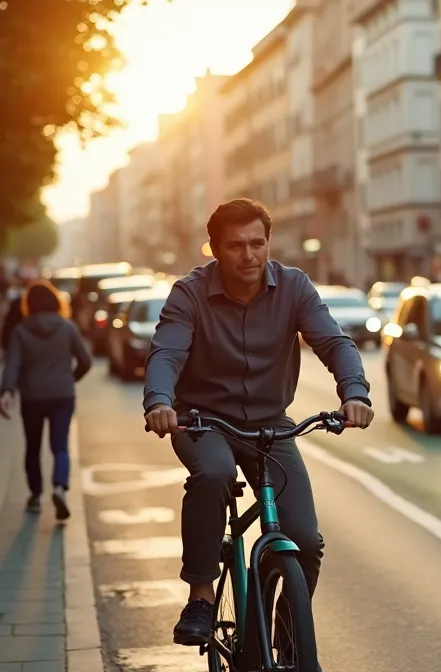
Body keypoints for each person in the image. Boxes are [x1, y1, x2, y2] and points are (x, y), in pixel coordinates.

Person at [142, 198, 374, 649]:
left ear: (268, 243)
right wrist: (159, 402)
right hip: (201, 421)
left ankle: (288, 637)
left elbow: (334, 341)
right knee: (213, 473)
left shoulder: (294, 287)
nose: (248, 255)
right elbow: (167, 351)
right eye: (235, 246)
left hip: (271, 425)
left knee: (305, 541)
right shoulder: (189, 293)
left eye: (257, 243)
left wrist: (355, 393)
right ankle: (202, 597)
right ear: (213, 249)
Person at [0, 279, 92, 520]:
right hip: (63, 394)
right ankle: (59, 486)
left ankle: (35, 496)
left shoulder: (21, 331)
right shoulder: (67, 327)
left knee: (32, 446)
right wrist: (70, 379)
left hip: (32, 397)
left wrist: (6, 391)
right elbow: (86, 361)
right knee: (60, 446)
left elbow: (13, 365)